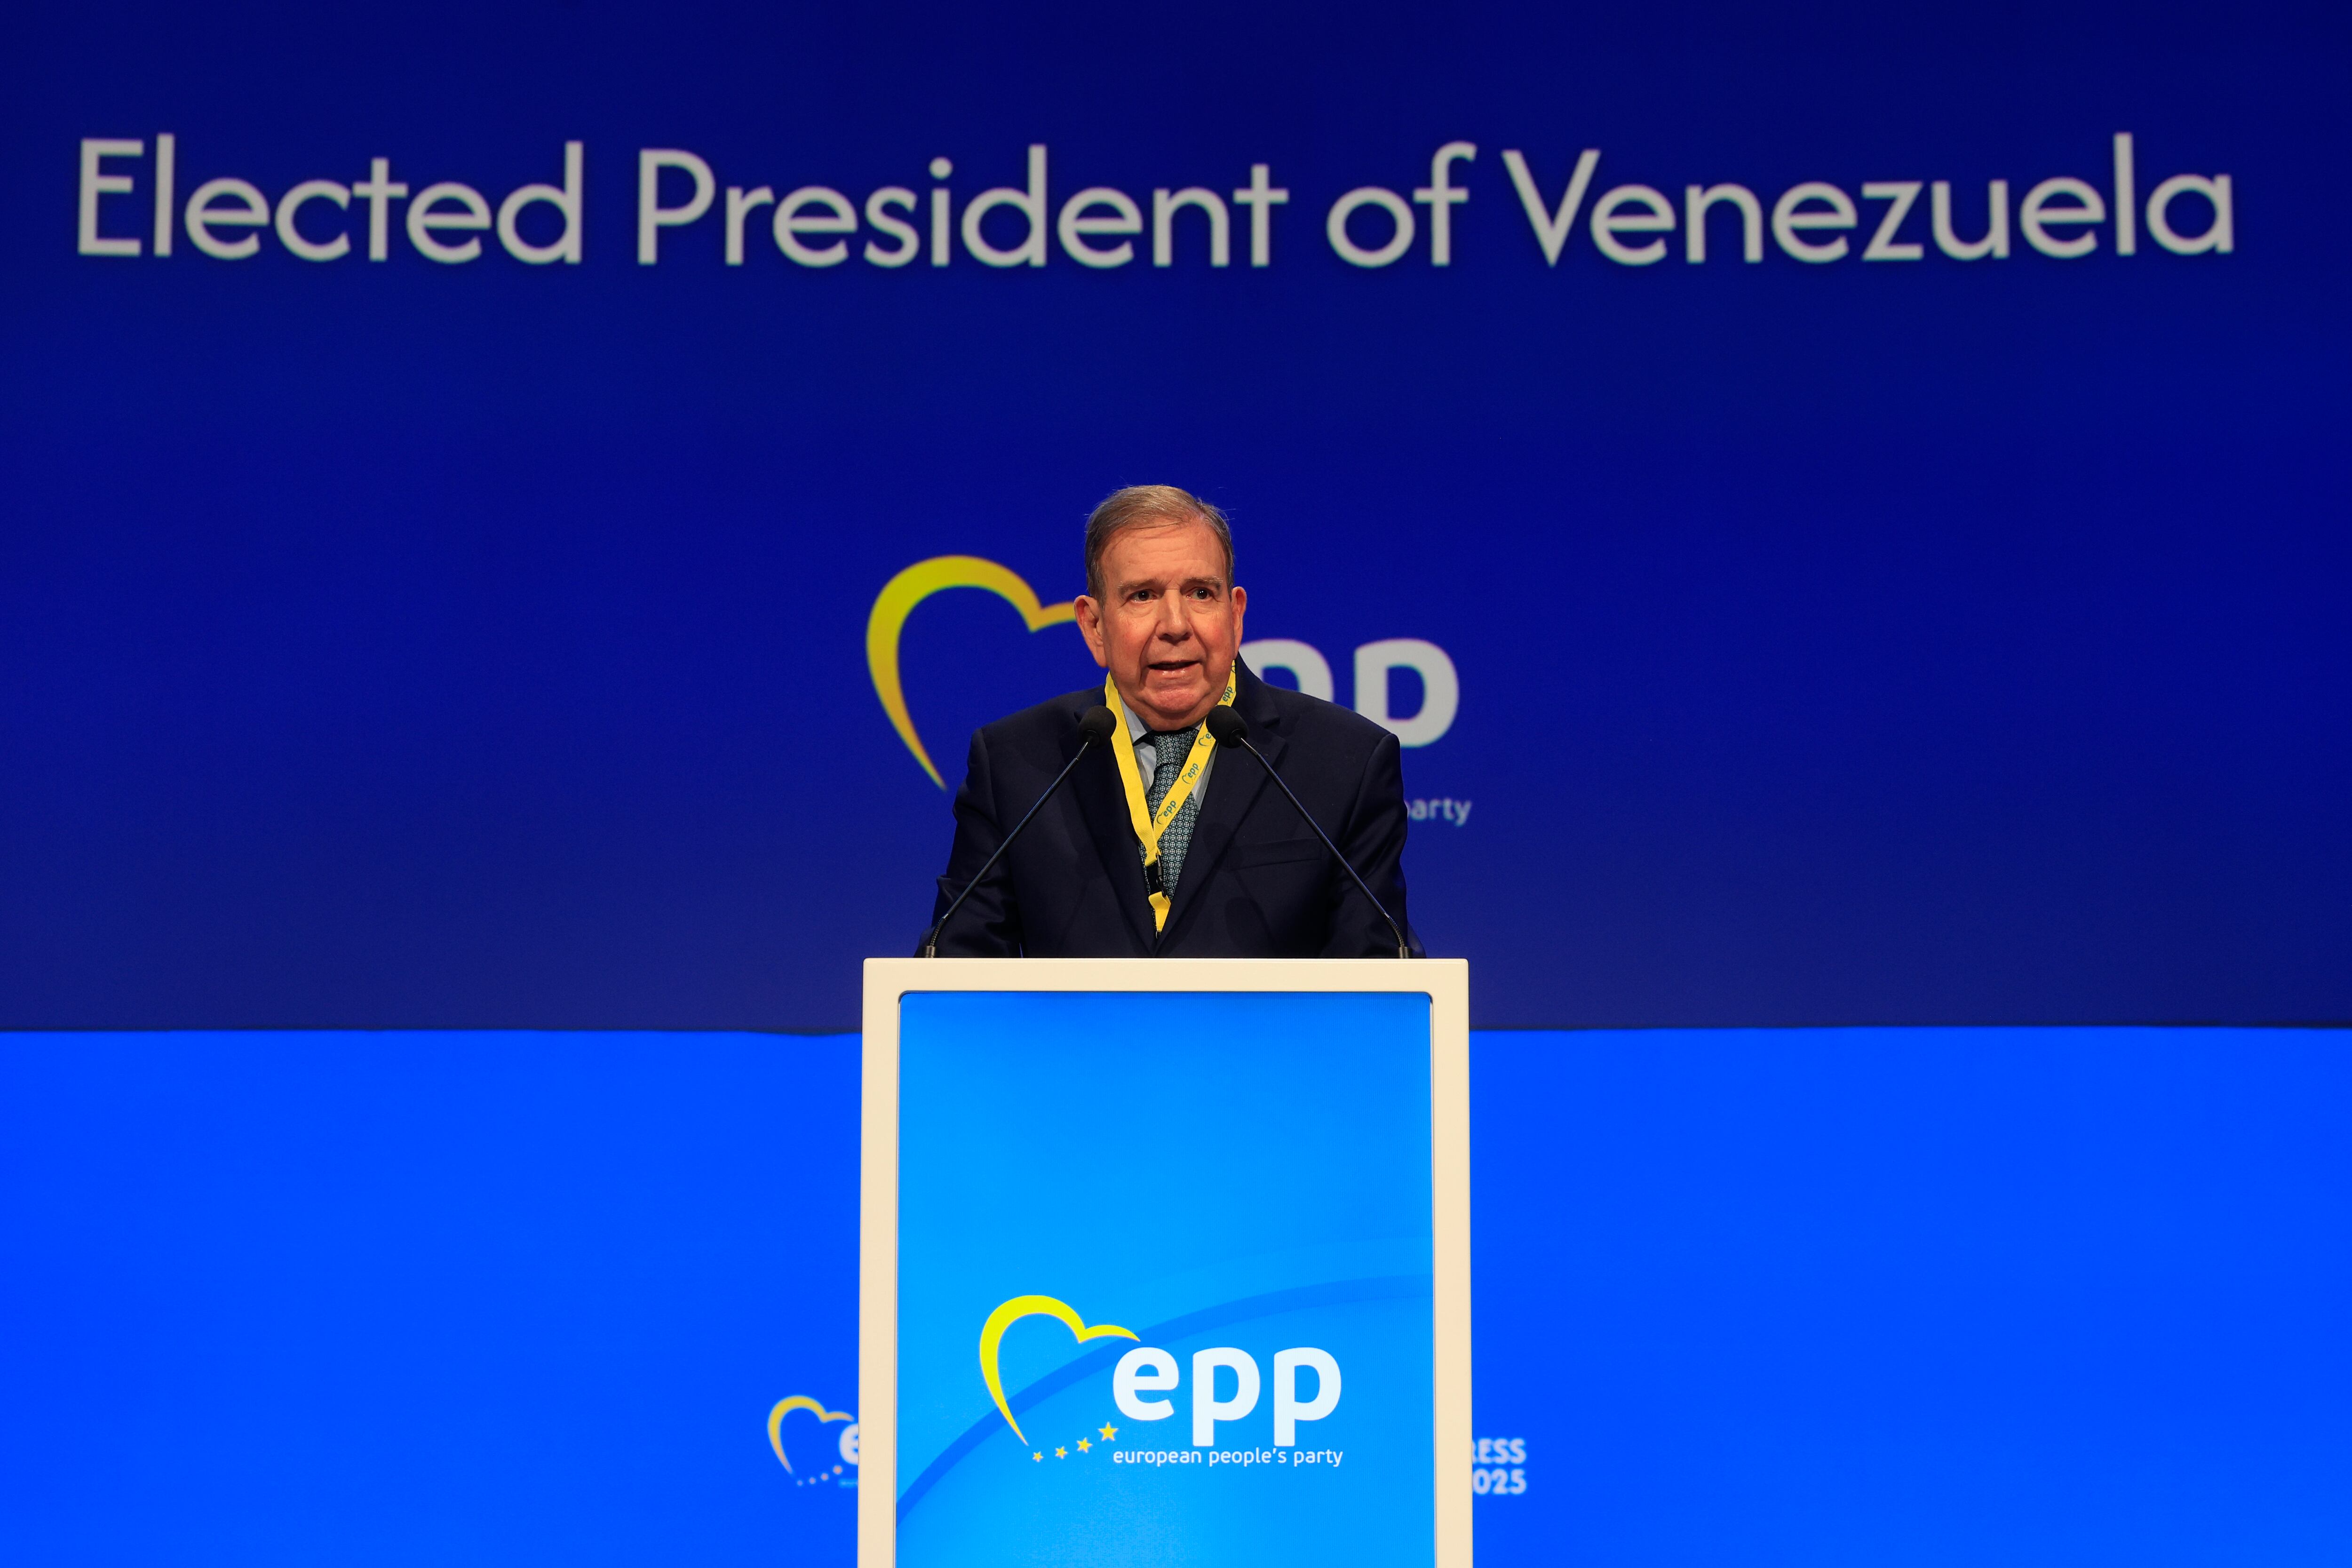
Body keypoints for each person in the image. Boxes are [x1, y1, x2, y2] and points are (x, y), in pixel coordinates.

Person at [921, 485, 1422, 956]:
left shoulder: (1345, 762)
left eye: (1200, 593)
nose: (1176, 626)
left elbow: (1379, 980)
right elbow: (956, 968)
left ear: (1235, 613)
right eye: (1142, 595)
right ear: (1094, 627)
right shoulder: (1014, 764)